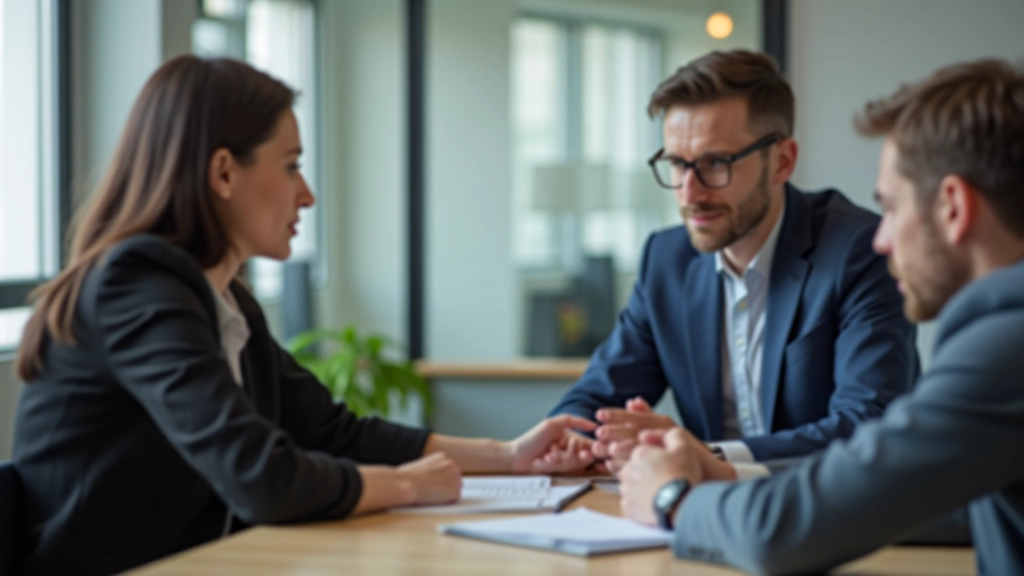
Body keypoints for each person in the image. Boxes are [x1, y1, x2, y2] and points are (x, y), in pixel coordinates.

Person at [10, 56, 596, 576]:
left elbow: (332, 431)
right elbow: (260, 477)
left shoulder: (225, 300)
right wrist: (406, 486)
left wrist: (506, 456)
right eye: (291, 165)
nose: (307, 194)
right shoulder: (135, 285)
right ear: (222, 173)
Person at [618, 58, 1024, 575]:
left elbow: (783, 534)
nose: (882, 237)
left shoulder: (1007, 339)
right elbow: (934, 497)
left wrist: (673, 496)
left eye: (893, 208)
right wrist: (723, 471)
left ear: (952, 206)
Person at [548, 49, 919, 472]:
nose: (690, 193)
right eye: (676, 164)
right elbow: (592, 402)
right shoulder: (666, 260)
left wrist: (708, 457)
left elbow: (866, 426)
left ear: (782, 161)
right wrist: (576, 443)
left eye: (715, 163)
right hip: (697, 515)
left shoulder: (860, 252)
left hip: (832, 518)